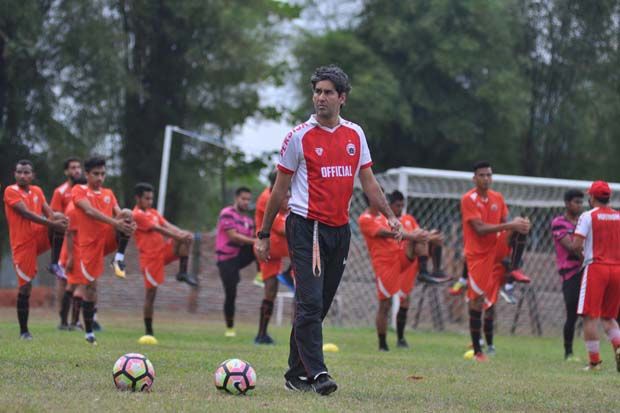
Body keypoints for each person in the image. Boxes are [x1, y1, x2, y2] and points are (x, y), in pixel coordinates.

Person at [256, 65, 402, 395]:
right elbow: (279, 190)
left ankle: (295, 373)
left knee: (318, 305)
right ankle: (318, 373)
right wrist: (264, 234)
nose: (321, 97)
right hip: (307, 226)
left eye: (328, 92)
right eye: (317, 91)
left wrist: (391, 216)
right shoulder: (298, 137)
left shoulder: (355, 134)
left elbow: (369, 183)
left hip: (340, 230)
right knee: (308, 303)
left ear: (342, 98)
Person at [461, 161, 530, 361]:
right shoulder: (468, 199)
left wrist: (518, 224)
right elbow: (480, 229)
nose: (486, 178)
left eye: (489, 175)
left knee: (522, 225)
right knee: (477, 301)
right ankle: (478, 351)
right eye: (482, 175)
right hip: (477, 255)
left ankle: (514, 269)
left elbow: (507, 222)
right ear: (475, 178)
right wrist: (510, 224)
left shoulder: (497, 198)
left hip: (496, 249)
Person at [72, 156, 135, 345]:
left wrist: (128, 224)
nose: (100, 178)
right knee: (91, 289)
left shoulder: (109, 192)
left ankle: (118, 257)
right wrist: (116, 223)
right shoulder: (79, 190)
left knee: (128, 213)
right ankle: (89, 332)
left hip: (106, 239)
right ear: (87, 174)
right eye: (96, 174)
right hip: (88, 245)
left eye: (103, 174)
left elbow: (119, 214)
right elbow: (89, 211)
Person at [3, 160, 68, 339]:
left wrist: (60, 221)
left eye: (26, 172)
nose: (22, 175)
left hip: (37, 236)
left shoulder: (37, 191)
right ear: (15, 174)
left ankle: (55, 264)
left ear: (32, 175)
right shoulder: (11, 191)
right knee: (25, 288)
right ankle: (24, 331)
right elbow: (26, 213)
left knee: (60, 217)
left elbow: (50, 214)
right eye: (19, 172)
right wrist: (52, 223)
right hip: (22, 244)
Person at [359, 194, 428, 351]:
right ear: (371, 199)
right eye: (379, 197)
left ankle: (424, 271)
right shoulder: (365, 218)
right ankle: (382, 344)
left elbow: (404, 232)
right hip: (384, 264)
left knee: (420, 238)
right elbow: (387, 234)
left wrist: (423, 235)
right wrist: (411, 235)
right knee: (385, 304)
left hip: (399, 258)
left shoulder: (387, 217)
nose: (382, 200)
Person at [132, 182, 195, 343]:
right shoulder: (137, 214)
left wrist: (182, 233)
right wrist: (177, 236)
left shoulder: (153, 212)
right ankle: (149, 330)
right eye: (146, 198)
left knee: (184, 240)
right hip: (149, 258)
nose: (150, 201)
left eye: (151, 198)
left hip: (162, 252)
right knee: (151, 294)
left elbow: (166, 224)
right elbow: (157, 229)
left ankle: (182, 272)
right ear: (138, 198)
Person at [387, 190, 450, 347]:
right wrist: (428, 236)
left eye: (402, 205)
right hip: (398, 261)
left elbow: (421, 236)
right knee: (399, 300)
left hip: (412, 260)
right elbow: (412, 236)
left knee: (405, 301)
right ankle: (395, 338)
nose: (400, 208)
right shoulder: (388, 221)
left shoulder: (409, 219)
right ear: (390, 205)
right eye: (397, 205)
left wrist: (432, 236)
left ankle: (436, 270)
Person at [571, 181, 620, 372]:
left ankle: (594, 363)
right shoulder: (618, 216)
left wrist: (584, 257)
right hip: (617, 269)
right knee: (609, 317)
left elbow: (576, 245)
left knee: (590, 317)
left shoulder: (588, 216)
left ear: (592, 197)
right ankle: (618, 347)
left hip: (597, 268)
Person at [215, 187, 256, 337]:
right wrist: (255, 241)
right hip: (226, 259)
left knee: (259, 247)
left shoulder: (248, 220)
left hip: (238, 257)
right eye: (243, 199)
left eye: (248, 199)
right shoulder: (227, 213)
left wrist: (259, 241)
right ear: (236, 198)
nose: (246, 202)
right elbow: (233, 237)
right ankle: (230, 328)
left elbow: (249, 242)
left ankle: (260, 274)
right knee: (231, 293)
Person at [551, 189, 584, 361]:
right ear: (567, 203)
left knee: (593, 314)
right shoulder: (559, 223)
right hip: (570, 273)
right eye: (575, 201)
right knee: (572, 313)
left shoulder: (584, 221)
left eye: (581, 201)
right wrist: (589, 257)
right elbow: (571, 247)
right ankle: (568, 352)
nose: (579, 205)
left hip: (587, 271)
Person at [50, 157, 83, 330]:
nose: (76, 170)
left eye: (78, 167)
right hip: (66, 242)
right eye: (73, 167)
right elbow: (55, 217)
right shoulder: (60, 192)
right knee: (64, 281)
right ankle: (63, 319)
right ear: (66, 171)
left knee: (84, 282)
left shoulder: (85, 190)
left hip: (82, 242)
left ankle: (79, 319)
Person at [254, 190, 291, 345]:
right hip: (267, 251)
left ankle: (288, 273)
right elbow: (283, 229)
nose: (289, 198)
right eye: (286, 195)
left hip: (285, 252)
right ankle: (261, 334)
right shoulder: (267, 201)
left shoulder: (285, 205)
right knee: (270, 291)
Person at [57, 175, 87, 330]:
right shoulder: (74, 209)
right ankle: (73, 322)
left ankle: (64, 322)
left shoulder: (76, 206)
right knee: (81, 287)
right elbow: (69, 233)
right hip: (75, 253)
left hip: (76, 252)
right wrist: (70, 257)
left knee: (70, 287)